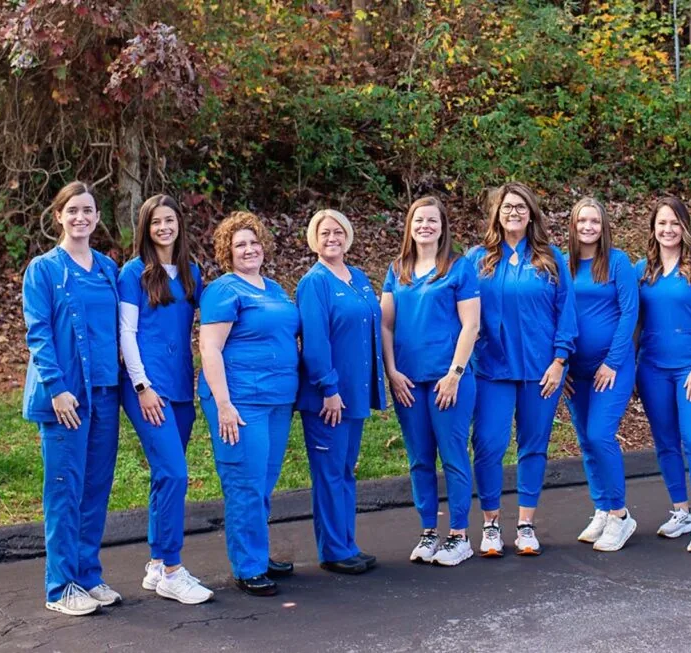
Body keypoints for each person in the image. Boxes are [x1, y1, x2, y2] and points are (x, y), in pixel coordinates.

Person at [22, 181, 122, 615]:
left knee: (96, 488)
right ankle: (60, 586)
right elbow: (38, 333)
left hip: (105, 393)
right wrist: (58, 388)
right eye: (73, 210)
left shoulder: (107, 268)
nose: (80, 217)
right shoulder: (43, 270)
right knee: (65, 489)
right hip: (66, 396)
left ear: (98, 217)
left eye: (88, 210)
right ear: (58, 216)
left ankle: (87, 575)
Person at [466, 182, 577, 557]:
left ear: (532, 214)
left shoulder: (550, 259)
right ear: (496, 213)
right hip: (490, 370)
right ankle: (492, 524)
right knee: (488, 445)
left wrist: (560, 360)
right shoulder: (477, 260)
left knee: (533, 446)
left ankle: (526, 525)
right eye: (507, 207)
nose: (513, 213)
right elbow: (460, 311)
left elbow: (567, 311)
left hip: (540, 371)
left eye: (521, 207)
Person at [198, 211, 300, 596]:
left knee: (264, 481)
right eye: (240, 244)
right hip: (240, 401)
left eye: (254, 242)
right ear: (228, 251)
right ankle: (248, 566)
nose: (249, 249)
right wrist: (223, 403)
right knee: (245, 482)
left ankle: (257, 551)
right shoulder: (224, 291)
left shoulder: (274, 289)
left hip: (277, 400)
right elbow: (210, 347)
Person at [118, 195, 212, 603]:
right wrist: (142, 386)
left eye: (169, 220)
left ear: (179, 224)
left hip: (180, 387)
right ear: (146, 228)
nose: (163, 228)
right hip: (147, 387)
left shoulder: (192, 273)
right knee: (174, 473)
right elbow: (127, 334)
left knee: (164, 475)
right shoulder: (133, 273)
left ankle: (156, 563)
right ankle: (174, 569)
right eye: (155, 222)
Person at [380, 196, 480, 566]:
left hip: (447, 380)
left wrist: (455, 374)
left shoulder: (458, 268)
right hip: (409, 381)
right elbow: (386, 325)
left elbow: (471, 324)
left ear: (442, 226)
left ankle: (458, 535)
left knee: (453, 456)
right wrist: (392, 371)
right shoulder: (398, 269)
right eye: (418, 220)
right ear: (409, 225)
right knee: (419, 459)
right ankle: (427, 531)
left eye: (432, 220)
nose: (425, 225)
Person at [297, 209, 386, 575]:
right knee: (330, 473)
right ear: (313, 239)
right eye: (324, 232)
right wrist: (328, 388)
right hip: (328, 398)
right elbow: (314, 342)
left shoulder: (359, 277)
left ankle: (347, 542)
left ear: (348, 237)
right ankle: (334, 550)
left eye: (338, 232)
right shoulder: (314, 282)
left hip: (356, 394)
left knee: (346, 470)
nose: (331, 238)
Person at [634, 197, 691, 554]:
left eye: (674, 223)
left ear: (684, 227)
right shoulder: (643, 270)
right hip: (653, 368)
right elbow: (635, 323)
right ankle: (681, 511)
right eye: (662, 223)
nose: (667, 229)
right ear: (653, 228)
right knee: (665, 442)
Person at [562, 198, 639, 552]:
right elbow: (556, 315)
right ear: (574, 226)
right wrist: (560, 363)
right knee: (586, 440)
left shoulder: (618, 262)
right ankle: (603, 508)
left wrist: (613, 361)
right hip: (575, 371)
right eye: (582, 221)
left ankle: (621, 516)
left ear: (603, 225)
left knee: (600, 434)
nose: (588, 226)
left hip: (612, 368)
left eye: (594, 220)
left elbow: (629, 314)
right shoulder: (566, 265)